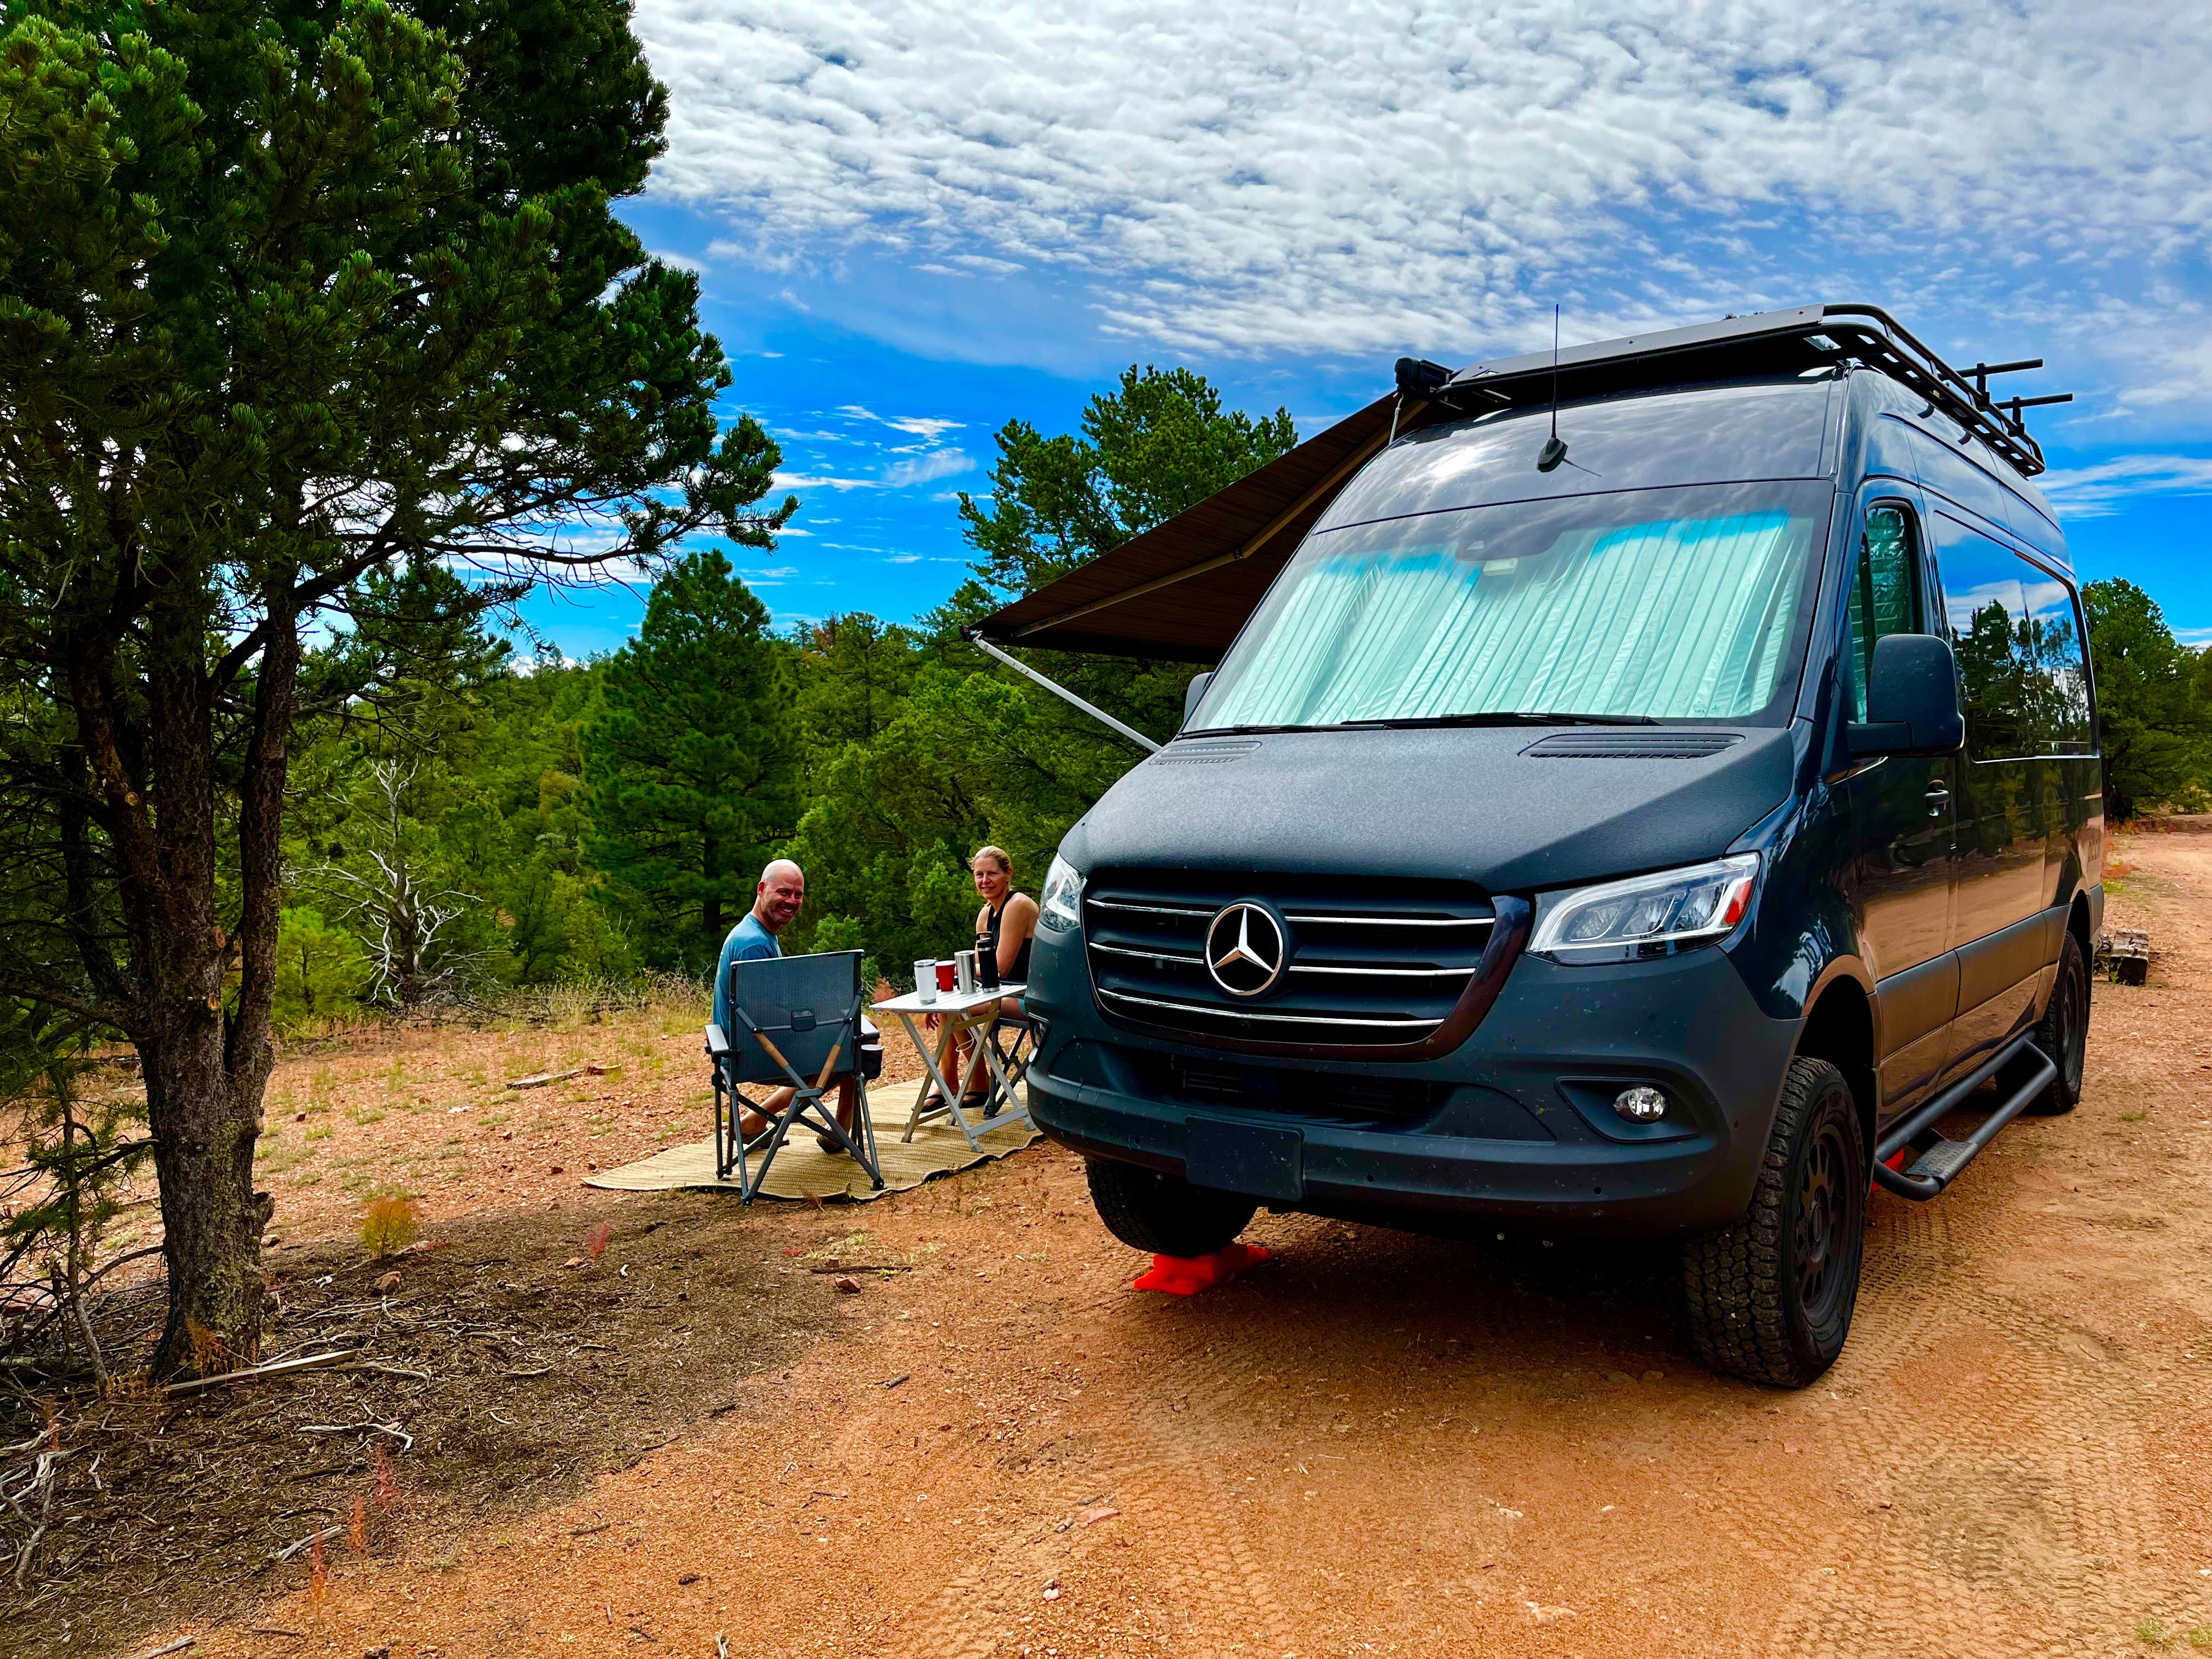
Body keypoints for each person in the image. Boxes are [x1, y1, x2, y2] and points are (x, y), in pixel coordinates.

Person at [712, 859, 861, 1154]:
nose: (792, 901)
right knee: (855, 1046)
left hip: (752, 1046)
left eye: (798, 895)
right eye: (784, 893)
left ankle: (754, 1121)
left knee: (848, 1035)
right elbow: (764, 1016)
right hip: (756, 1053)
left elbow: (771, 1005)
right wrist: (830, 1018)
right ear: (761, 889)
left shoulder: (758, 933)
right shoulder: (752, 945)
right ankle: (839, 1133)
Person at [922, 846, 1037, 1112]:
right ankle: (952, 1083)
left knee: (959, 1010)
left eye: (992, 874)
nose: (984, 881)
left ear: (1008, 874)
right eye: (979, 875)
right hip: (999, 993)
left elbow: (999, 970)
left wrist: (950, 972)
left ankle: (975, 1083)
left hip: (1029, 997)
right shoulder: (986, 913)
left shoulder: (1018, 905)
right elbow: (976, 966)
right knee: (947, 1008)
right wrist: (942, 990)